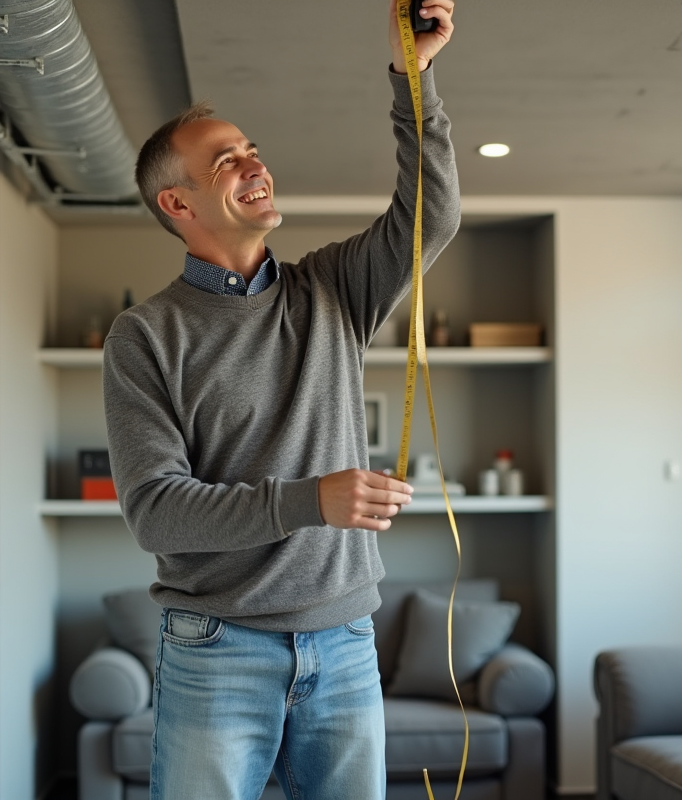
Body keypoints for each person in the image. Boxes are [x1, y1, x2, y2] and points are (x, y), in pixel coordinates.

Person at [102, 2, 459, 798]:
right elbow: (156, 512)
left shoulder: (332, 290)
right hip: (216, 646)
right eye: (226, 160)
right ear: (178, 204)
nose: (254, 163)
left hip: (345, 638)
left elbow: (432, 217)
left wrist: (415, 77)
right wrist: (309, 500)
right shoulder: (145, 335)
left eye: (251, 149)